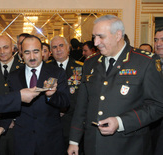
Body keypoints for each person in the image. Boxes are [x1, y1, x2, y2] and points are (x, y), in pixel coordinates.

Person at [68, 15, 163, 155]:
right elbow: (82, 105)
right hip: (93, 145)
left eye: (101, 37)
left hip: (129, 146)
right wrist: (74, 141)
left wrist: (121, 122)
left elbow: (157, 105)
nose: (95, 42)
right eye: (94, 37)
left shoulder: (145, 61)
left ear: (118, 35)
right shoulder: (90, 63)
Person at [8, 35, 70, 155]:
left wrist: (52, 96)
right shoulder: (13, 76)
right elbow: (11, 104)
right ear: (21, 54)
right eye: (27, 53)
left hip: (50, 141)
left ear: (42, 52)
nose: (32, 57)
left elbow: (66, 101)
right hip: (23, 142)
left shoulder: (57, 72)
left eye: (36, 52)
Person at [48, 36, 84, 154]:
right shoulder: (45, 69)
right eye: (54, 47)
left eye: (61, 45)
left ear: (68, 48)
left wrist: (65, 107)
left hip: (73, 123)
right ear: (51, 51)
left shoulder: (81, 67)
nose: (58, 49)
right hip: (51, 124)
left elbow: (83, 96)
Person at [0, 35, 24, 155]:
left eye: (5, 47)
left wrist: (13, 119)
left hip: (20, 126)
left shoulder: (24, 68)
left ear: (13, 48)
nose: (2, 52)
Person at [153, 27, 163, 155]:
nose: (158, 44)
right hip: (152, 123)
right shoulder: (147, 63)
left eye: (162, 40)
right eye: (156, 40)